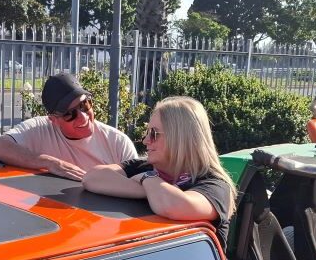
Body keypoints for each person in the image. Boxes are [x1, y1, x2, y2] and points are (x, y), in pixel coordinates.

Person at [81, 96, 236, 247]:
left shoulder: (215, 185)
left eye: (154, 134)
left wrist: (147, 179)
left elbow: (174, 206)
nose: (145, 140)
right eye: (147, 132)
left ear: (180, 138)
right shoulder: (145, 165)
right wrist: (147, 190)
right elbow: (92, 177)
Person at [0, 72, 138, 180]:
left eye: (85, 104)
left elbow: (140, 184)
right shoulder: (39, 129)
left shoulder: (118, 142)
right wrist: (49, 163)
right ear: (53, 119)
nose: (83, 116)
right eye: (70, 114)